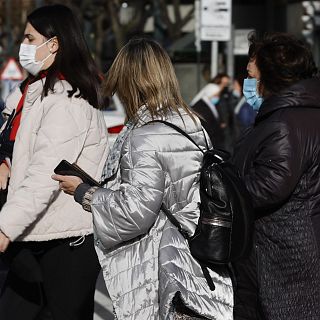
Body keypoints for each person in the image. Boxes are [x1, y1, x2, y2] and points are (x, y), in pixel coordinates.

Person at [53, 38, 233, 320]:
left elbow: (135, 212)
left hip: (161, 270)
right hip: (197, 264)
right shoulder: (191, 124)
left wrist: (84, 192)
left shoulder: (144, 136)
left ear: (127, 83)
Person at [0, 5, 108, 320]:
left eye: (30, 38)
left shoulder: (67, 103)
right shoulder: (32, 95)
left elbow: (45, 173)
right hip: (36, 236)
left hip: (68, 244)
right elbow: (18, 150)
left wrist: (5, 227)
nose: (24, 47)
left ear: (55, 44)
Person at [232, 32, 320, 320]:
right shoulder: (293, 115)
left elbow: (269, 185)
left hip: (283, 259)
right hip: (285, 254)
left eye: (250, 72)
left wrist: (222, 186)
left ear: (269, 76)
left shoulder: (284, 123)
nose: (247, 80)